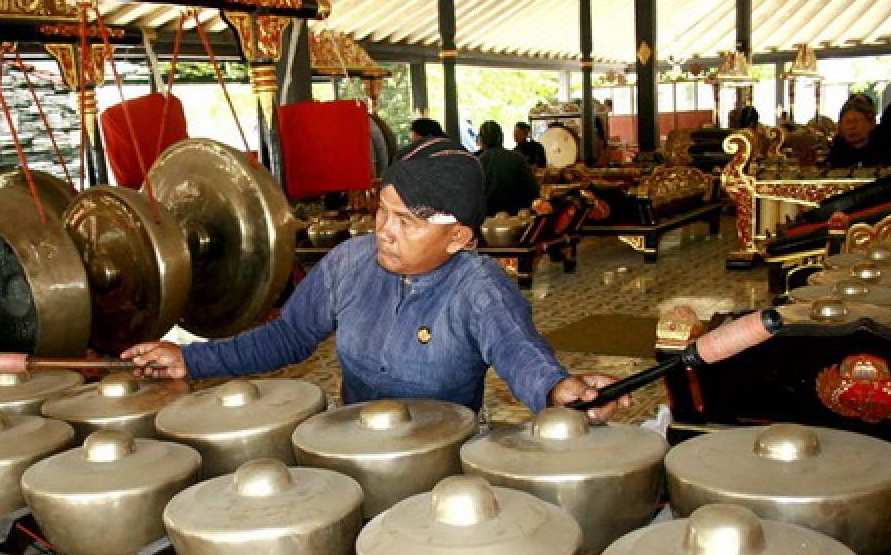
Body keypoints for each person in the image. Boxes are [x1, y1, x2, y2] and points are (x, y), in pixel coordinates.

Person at [123, 138, 625, 420]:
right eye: (383, 211)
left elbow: (520, 351)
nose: (383, 231)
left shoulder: (479, 286)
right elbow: (290, 336)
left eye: (407, 221)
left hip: (441, 461)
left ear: (459, 238)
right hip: (352, 441)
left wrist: (558, 389)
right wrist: (190, 359)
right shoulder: (349, 262)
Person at [477, 120, 541, 215]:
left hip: (487, 222)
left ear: (481, 140)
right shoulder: (517, 158)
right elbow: (533, 192)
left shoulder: (477, 163)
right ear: (502, 137)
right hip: (517, 220)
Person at [827, 94, 891, 168]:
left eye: (856, 121)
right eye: (848, 122)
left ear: (871, 123)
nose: (851, 127)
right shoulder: (836, 149)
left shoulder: (885, 145)